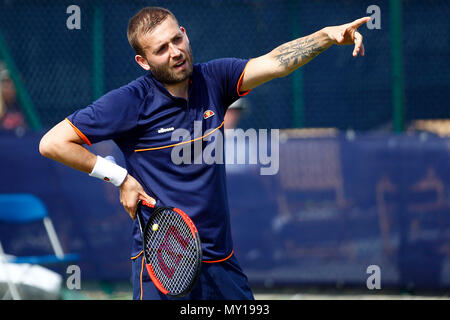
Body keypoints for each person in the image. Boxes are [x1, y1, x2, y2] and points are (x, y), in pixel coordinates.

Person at [39, 7, 370, 300]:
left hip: (221, 263)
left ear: (184, 34)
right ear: (143, 61)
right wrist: (120, 177)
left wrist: (327, 36)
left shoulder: (215, 79)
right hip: (163, 265)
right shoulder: (129, 102)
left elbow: (275, 63)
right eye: (161, 49)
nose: (175, 52)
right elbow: (53, 142)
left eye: (176, 40)